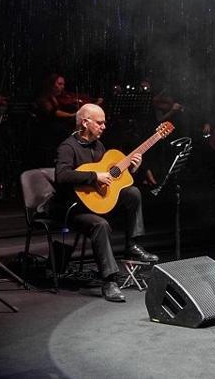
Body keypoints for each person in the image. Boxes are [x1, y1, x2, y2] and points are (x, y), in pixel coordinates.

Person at [54, 103, 158, 302]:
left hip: (97, 202)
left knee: (133, 192)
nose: (104, 126)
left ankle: (132, 245)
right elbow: (62, 175)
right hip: (74, 208)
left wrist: (133, 169)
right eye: (99, 123)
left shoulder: (98, 146)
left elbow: (111, 177)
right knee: (100, 225)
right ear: (85, 123)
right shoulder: (68, 147)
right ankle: (109, 281)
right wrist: (94, 176)